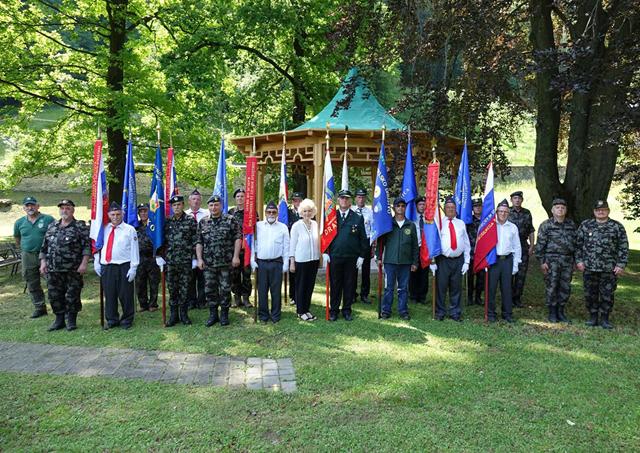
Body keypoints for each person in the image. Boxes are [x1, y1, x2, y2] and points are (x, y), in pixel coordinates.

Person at [39, 199, 90, 331]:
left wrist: (84, 263)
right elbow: (44, 246)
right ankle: (59, 320)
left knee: (72, 295)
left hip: (73, 269)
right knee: (54, 295)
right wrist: (43, 262)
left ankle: (71, 320)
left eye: (67, 208)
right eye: (62, 208)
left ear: (73, 210)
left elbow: (86, 247)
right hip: (53, 269)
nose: (64, 210)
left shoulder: (79, 226)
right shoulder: (52, 226)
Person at [576, 200, 628, 329]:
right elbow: (578, 245)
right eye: (598, 210)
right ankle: (593, 317)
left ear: (608, 211)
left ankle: (605, 318)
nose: (601, 212)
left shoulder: (616, 226)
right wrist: (579, 261)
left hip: (609, 268)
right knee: (590, 293)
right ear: (594, 212)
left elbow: (623, 246)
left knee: (607, 294)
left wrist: (621, 264)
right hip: (589, 267)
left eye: (603, 209)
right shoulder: (585, 225)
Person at [196, 195, 242, 327]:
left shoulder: (230, 220)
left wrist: (236, 256)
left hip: (226, 263)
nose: (213, 207)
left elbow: (238, 238)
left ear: (221, 206)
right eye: (211, 205)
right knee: (210, 290)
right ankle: (213, 314)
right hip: (209, 263)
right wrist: (199, 259)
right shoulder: (203, 222)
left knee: (225, 289)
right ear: (208, 207)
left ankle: (224, 315)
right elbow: (199, 242)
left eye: (216, 205)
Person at [324, 189, 368, 321]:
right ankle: (334, 310)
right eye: (342, 198)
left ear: (350, 201)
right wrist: (325, 252)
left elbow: (363, 239)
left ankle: (347, 310)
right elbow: (325, 235)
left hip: (351, 258)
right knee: (335, 284)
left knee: (349, 285)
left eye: (347, 198)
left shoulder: (357, 217)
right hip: (335, 256)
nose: (344, 200)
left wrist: (362, 256)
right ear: (338, 200)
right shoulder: (331, 217)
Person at [94, 202, 140, 330]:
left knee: (126, 294)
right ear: (108, 215)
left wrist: (134, 267)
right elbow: (97, 245)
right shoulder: (103, 229)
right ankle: (112, 319)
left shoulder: (129, 229)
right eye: (113, 214)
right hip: (108, 266)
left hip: (123, 266)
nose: (115, 217)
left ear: (122, 214)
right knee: (110, 294)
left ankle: (127, 319)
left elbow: (134, 249)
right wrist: (97, 261)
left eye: (118, 214)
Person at [535, 198, 577, 323]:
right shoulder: (546, 225)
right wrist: (542, 262)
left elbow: (576, 244)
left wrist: (575, 260)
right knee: (552, 286)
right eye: (557, 207)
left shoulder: (571, 225)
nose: (560, 210)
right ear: (552, 210)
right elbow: (540, 245)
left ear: (566, 210)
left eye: (563, 208)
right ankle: (552, 312)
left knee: (565, 286)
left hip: (567, 260)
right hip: (551, 261)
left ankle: (561, 311)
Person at [377, 198, 419, 320]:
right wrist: (379, 257)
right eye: (398, 206)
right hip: (390, 261)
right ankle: (386, 310)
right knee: (389, 288)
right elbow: (381, 242)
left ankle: (403, 311)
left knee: (403, 288)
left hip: (405, 262)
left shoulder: (410, 225)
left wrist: (415, 262)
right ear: (394, 208)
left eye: (402, 206)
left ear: (405, 208)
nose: (400, 208)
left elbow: (415, 246)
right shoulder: (388, 224)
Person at [14, 196, 54, 318]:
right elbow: (17, 238)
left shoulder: (48, 219)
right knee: (32, 282)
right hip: (28, 255)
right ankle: (40, 308)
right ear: (24, 208)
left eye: (32, 205)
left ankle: (58, 306)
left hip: (46, 254)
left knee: (53, 280)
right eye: (27, 205)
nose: (30, 207)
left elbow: (56, 234)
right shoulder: (19, 222)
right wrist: (24, 249)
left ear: (38, 206)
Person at [431, 197, 471, 321]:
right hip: (443, 260)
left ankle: (455, 312)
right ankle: (440, 312)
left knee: (456, 287)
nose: (450, 210)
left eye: (453, 208)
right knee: (441, 287)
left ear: (456, 209)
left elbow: (466, 243)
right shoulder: (439, 223)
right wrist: (432, 261)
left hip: (458, 260)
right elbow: (433, 242)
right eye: (448, 207)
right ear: (444, 209)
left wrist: (467, 261)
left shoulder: (461, 223)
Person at [251, 201, 290, 323]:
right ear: (265, 213)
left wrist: (286, 263)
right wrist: (252, 260)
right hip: (261, 263)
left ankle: (275, 314)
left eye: (274, 212)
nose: (271, 214)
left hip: (277, 263)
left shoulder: (283, 227)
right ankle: (263, 315)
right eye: (269, 212)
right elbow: (253, 244)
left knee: (276, 290)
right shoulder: (258, 226)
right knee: (262, 290)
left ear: (277, 213)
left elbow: (286, 247)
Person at [163, 195, 197, 327]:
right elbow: (163, 241)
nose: (176, 207)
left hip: (185, 261)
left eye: (178, 205)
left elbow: (196, 240)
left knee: (185, 288)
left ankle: (183, 314)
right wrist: (160, 256)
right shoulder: (167, 221)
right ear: (172, 207)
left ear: (183, 205)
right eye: (174, 205)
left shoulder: (190, 220)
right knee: (172, 288)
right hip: (171, 262)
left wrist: (194, 258)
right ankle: (173, 315)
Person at [487, 199, 522, 323]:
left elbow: (517, 246)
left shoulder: (513, 227)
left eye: (505, 212)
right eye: (501, 211)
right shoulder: (490, 226)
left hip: (507, 261)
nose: (503, 214)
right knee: (491, 288)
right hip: (493, 260)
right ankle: (490, 313)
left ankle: (507, 314)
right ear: (496, 212)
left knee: (507, 288)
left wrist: (516, 264)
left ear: (509, 213)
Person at [289, 198, 320, 321]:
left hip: (314, 260)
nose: (307, 213)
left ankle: (307, 309)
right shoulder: (297, 226)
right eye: (305, 211)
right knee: (301, 286)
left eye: (309, 211)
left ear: (313, 212)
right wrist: (292, 262)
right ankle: (300, 311)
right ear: (301, 212)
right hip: (301, 260)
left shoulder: (315, 224)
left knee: (309, 286)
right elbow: (292, 245)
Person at [229, 188, 255, 308]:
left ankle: (246, 298)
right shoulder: (230, 212)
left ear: (246, 198)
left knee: (246, 274)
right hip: (234, 249)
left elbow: (255, 229)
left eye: (242, 196)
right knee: (234, 275)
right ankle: (237, 297)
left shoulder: (251, 212)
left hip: (247, 249)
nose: (240, 198)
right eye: (238, 196)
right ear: (235, 198)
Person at [508, 191, 535, 307]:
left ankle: (517, 298)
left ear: (522, 200)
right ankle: (508, 298)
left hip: (523, 246)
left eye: (519, 198)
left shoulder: (527, 213)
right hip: (509, 247)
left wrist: (532, 246)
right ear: (511, 200)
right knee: (509, 273)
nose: (517, 200)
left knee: (521, 274)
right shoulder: (506, 212)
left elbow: (531, 230)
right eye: (515, 198)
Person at [135, 203, 161, 312]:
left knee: (154, 282)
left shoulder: (154, 225)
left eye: (145, 211)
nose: (143, 213)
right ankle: (143, 304)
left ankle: (153, 304)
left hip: (152, 257)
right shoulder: (135, 226)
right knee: (140, 282)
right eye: (141, 211)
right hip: (139, 258)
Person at [185, 189, 209, 309]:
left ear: (201, 201)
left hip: (204, 250)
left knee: (202, 277)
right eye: (193, 199)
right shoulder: (184, 215)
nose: (196, 201)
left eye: (198, 199)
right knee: (190, 278)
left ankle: (202, 301)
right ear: (189, 201)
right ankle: (191, 301)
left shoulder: (207, 214)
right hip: (188, 251)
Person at [352, 188, 374, 304]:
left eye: (363, 197)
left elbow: (373, 229)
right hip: (354, 242)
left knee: (366, 270)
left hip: (366, 242)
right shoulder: (351, 211)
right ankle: (352, 294)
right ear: (355, 198)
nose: (361, 199)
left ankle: (364, 294)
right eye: (359, 197)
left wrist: (373, 245)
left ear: (365, 198)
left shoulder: (370, 212)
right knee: (352, 269)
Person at [409, 196, 429, 305]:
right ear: (416, 206)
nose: (422, 206)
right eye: (420, 204)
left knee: (424, 272)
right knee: (413, 271)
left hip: (425, 248)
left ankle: (422, 296)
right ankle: (413, 295)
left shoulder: (429, 218)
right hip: (414, 247)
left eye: (424, 204)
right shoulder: (411, 217)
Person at [466, 198, 485, 305]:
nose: (477, 208)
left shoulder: (486, 221)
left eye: (479, 206)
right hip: (471, 253)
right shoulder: (468, 220)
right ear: (472, 208)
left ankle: (478, 297)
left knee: (481, 277)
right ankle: (469, 297)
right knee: (470, 277)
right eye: (475, 206)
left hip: (482, 254)